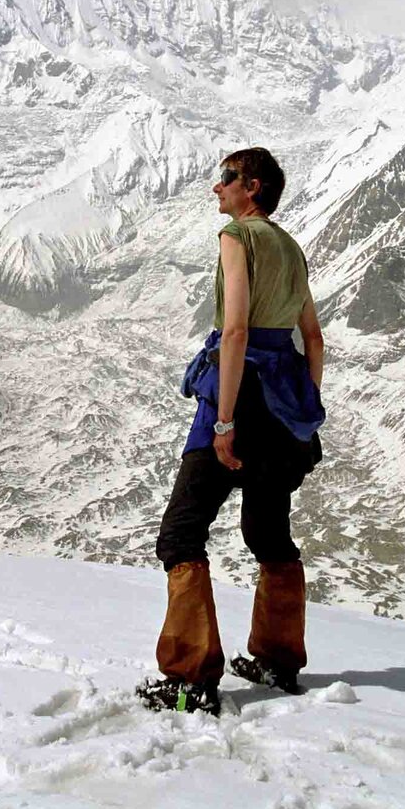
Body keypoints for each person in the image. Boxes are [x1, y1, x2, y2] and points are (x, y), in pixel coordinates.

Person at [137, 147, 325, 717]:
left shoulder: (236, 240)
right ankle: (277, 659)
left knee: (182, 531)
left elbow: (236, 327)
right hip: (285, 405)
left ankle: (191, 678)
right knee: (268, 534)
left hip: (237, 395)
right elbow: (313, 339)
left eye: (226, 179)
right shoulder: (291, 247)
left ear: (254, 188)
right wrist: (301, 408)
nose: (216, 189)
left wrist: (224, 421)